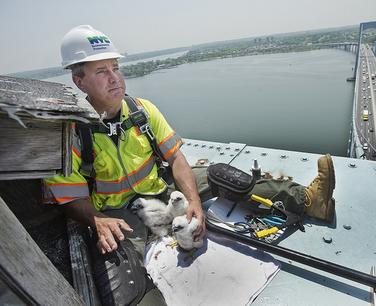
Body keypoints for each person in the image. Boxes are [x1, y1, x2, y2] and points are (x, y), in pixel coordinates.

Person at [43, 25, 336, 305]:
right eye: (102, 72)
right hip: (118, 213)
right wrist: (96, 220)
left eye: (116, 68)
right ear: (79, 81)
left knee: (223, 175)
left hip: (160, 189)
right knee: (123, 278)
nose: (115, 78)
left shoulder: (141, 111)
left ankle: (308, 200)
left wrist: (194, 200)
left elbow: (176, 159)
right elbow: (70, 198)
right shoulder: (70, 133)